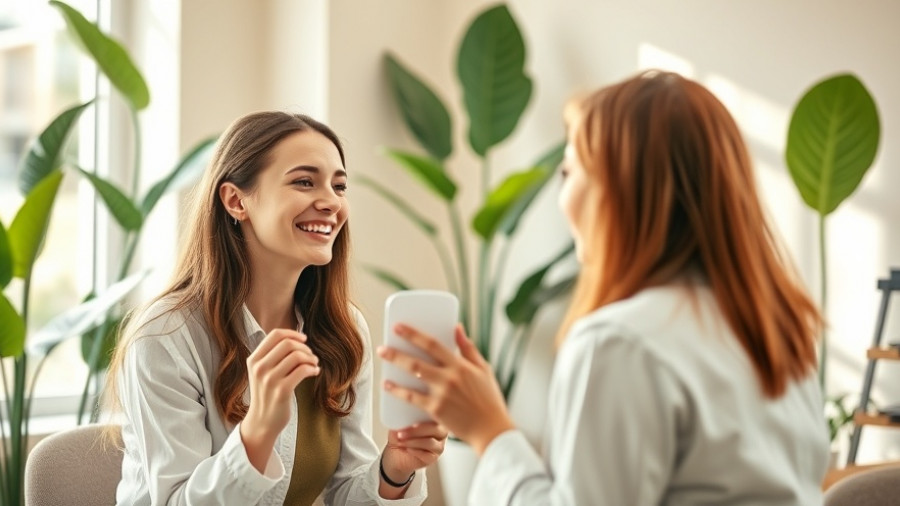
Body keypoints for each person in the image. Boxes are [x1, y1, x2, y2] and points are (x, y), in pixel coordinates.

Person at [378, 71, 829, 505]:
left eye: (569, 173)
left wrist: (489, 430)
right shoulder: (777, 331)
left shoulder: (620, 342)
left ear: (616, 191)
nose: (563, 199)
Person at [105, 111, 446, 505]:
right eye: (304, 182)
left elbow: (346, 492)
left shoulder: (343, 330)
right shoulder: (165, 337)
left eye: (339, 186)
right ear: (236, 201)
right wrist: (259, 432)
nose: (331, 203)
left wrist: (394, 469)